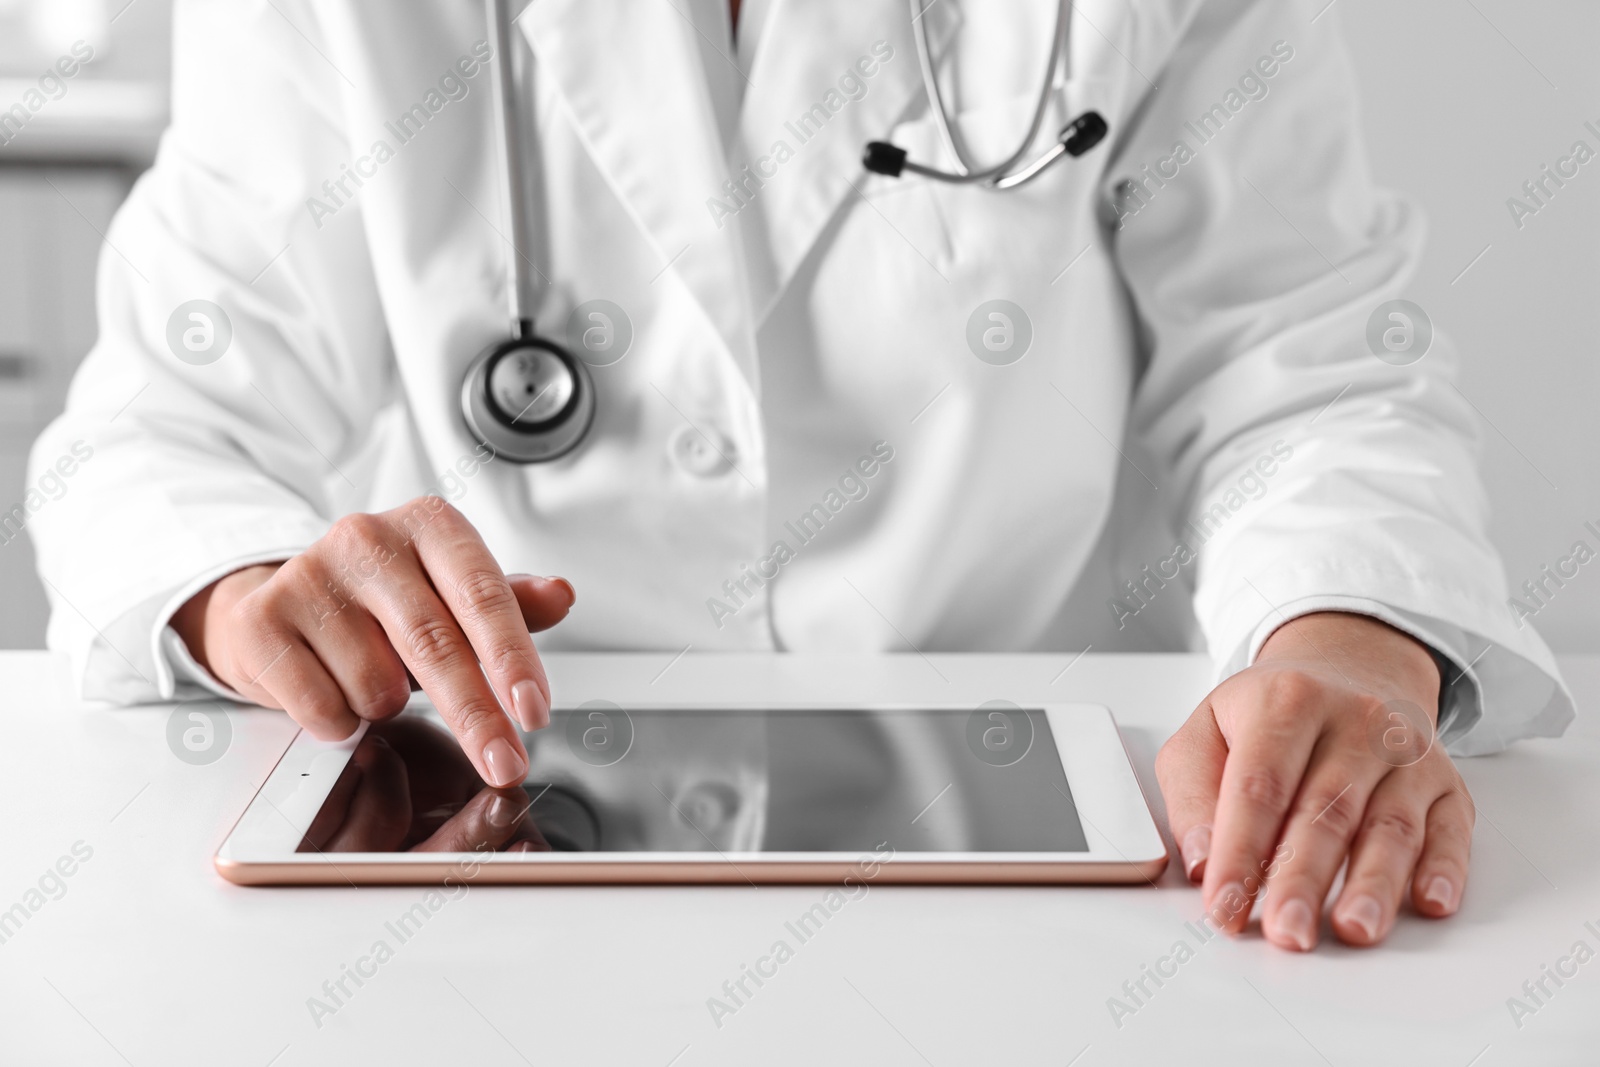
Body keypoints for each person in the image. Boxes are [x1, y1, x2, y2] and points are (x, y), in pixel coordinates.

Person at [27, 0, 1571, 952]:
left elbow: (1304, 360)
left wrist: (1349, 639)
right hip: (472, 864)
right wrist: (241, 591)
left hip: (1046, 879)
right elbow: (156, 435)